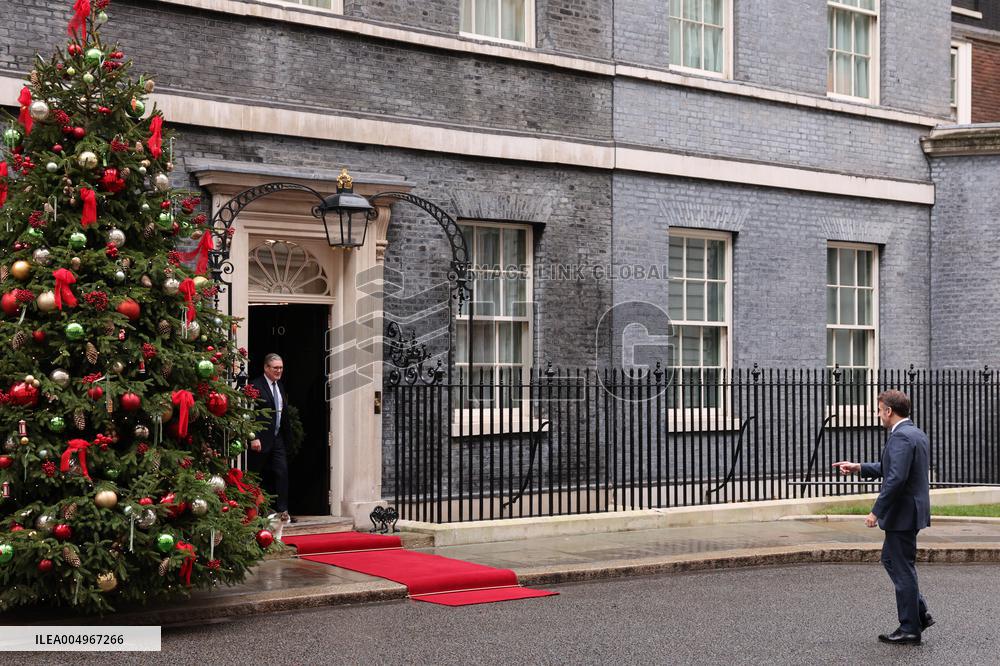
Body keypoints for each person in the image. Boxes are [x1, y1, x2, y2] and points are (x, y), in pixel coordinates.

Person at [833, 389, 932, 645]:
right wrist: (858, 467)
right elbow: (893, 469)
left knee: (901, 567)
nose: (878, 415)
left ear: (889, 411)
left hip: (902, 514)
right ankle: (919, 614)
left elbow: (896, 479)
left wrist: (876, 511)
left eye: (879, 410)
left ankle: (910, 628)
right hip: (910, 511)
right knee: (891, 560)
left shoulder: (901, 437)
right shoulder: (914, 433)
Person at [248, 353, 293, 524]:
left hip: (277, 438)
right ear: (266, 368)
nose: (279, 371)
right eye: (275, 368)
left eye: (281, 368)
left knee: (282, 472)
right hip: (260, 439)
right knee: (256, 475)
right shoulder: (255, 385)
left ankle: (282, 512)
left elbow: (283, 414)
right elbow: (249, 413)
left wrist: (288, 438)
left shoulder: (279, 385)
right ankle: (253, 511)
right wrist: (253, 437)